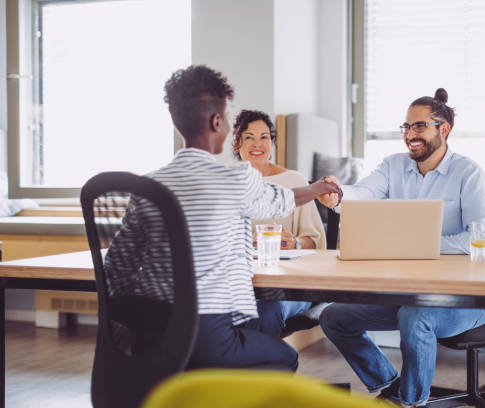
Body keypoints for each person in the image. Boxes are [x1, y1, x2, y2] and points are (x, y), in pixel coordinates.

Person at [104, 65, 341, 371]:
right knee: (285, 357)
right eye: (228, 119)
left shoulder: (147, 186)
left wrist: (141, 317)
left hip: (154, 335)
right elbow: (284, 199)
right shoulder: (235, 178)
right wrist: (321, 187)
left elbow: (117, 266)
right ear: (218, 122)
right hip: (211, 337)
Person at [318, 88, 485, 407]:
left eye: (419, 126)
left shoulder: (467, 172)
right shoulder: (393, 166)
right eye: (406, 127)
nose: (410, 134)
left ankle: (411, 403)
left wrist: (420, 246)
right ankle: (389, 384)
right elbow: (365, 192)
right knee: (334, 317)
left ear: (444, 129)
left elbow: (483, 238)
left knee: (417, 317)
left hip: (465, 298)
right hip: (408, 293)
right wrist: (339, 195)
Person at [231, 109, 326, 337]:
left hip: (289, 286)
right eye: (249, 137)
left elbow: (314, 241)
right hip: (243, 284)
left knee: (266, 307)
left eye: (264, 137)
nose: (258, 144)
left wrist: (294, 242)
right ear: (236, 143)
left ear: (272, 142)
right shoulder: (227, 183)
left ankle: (261, 368)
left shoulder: (294, 181)